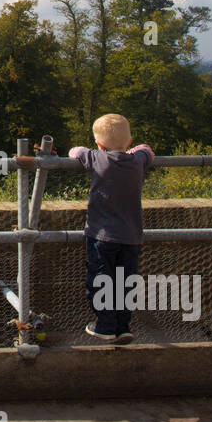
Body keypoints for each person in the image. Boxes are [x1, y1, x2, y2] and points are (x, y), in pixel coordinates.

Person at [68, 113, 154, 345]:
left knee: (100, 279)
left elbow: (75, 151)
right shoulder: (137, 160)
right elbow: (147, 149)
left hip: (101, 236)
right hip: (131, 236)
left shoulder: (96, 158)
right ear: (128, 141)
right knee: (126, 281)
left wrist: (88, 149)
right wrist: (133, 149)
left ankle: (105, 326)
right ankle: (123, 326)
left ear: (99, 143)